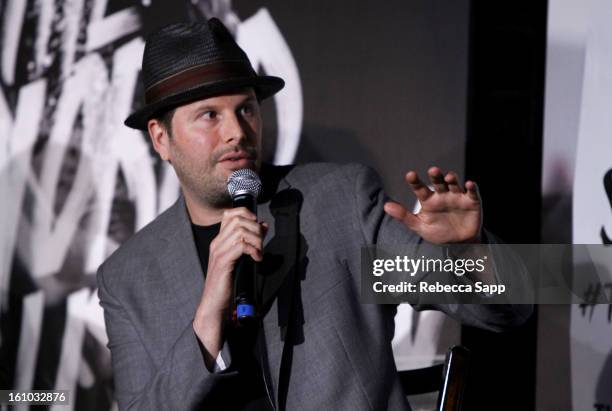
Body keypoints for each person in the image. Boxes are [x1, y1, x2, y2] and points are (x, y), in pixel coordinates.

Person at [97, 18, 531, 410]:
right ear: (161, 138)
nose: (237, 132)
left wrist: (469, 253)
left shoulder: (337, 202)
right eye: (209, 115)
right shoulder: (129, 276)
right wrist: (208, 317)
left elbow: (510, 309)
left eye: (246, 109)